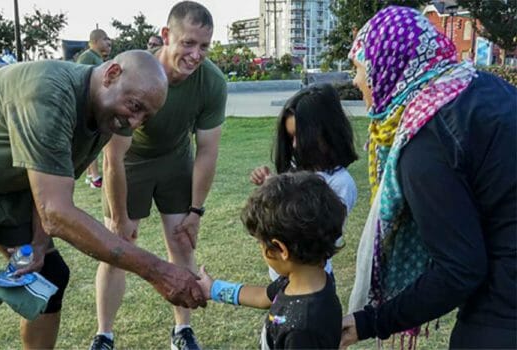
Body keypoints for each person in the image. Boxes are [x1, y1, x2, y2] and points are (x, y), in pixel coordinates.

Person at [0, 50, 208, 350]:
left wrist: (39, 247)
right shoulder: (48, 95)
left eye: (145, 116)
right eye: (134, 107)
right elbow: (56, 213)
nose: (134, 123)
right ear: (111, 75)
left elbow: (52, 193)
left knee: (51, 276)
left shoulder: (105, 119)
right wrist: (157, 270)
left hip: (4, 178)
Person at [341, 6, 516, 349]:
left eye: (359, 68)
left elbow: (461, 269)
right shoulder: (480, 85)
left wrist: (371, 322)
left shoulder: (425, 140)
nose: (355, 80)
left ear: (386, 69)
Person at [91, 2, 227, 350]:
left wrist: (196, 212)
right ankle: (103, 334)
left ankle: (182, 331)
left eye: (204, 46)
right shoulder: (139, 72)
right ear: (166, 36)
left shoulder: (211, 82)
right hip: (131, 161)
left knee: (181, 241)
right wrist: (120, 217)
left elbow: (208, 150)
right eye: (188, 43)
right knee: (118, 246)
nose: (196, 55)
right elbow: (113, 156)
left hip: (175, 160)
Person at [198, 172, 346, 349]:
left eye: (260, 243)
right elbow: (261, 297)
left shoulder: (303, 330)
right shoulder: (299, 282)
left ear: (281, 249)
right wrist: (214, 289)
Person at [249, 84, 358, 278]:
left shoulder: (341, 183)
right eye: (290, 137)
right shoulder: (297, 167)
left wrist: (280, 194)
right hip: (283, 279)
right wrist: (270, 186)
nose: (295, 145)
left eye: (301, 136)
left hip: (310, 279)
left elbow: (316, 233)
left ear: (329, 133)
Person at [77, 28, 112, 189]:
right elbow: (82, 81)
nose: (108, 42)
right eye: (105, 39)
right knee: (91, 143)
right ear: (96, 41)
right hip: (88, 108)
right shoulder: (87, 57)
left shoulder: (99, 58)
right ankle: (94, 177)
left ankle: (92, 175)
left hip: (98, 107)